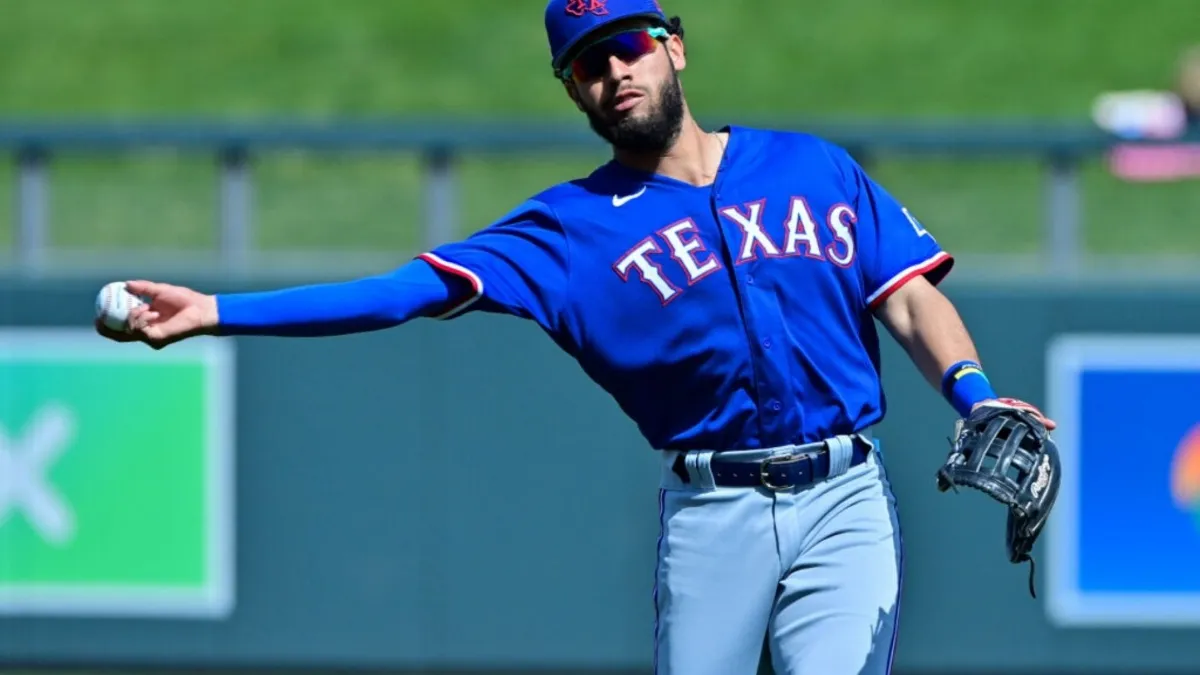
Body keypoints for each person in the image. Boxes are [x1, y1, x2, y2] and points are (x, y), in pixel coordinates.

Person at [95, 1, 1056, 673]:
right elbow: (398, 293)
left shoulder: (811, 167)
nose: (612, 72)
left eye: (627, 44)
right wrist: (221, 311)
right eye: (586, 64)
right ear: (575, 93)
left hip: (844, 495)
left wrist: (974, 391)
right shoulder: (564, 232)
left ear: (674, 46)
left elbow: (907, 297)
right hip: (711, 514)